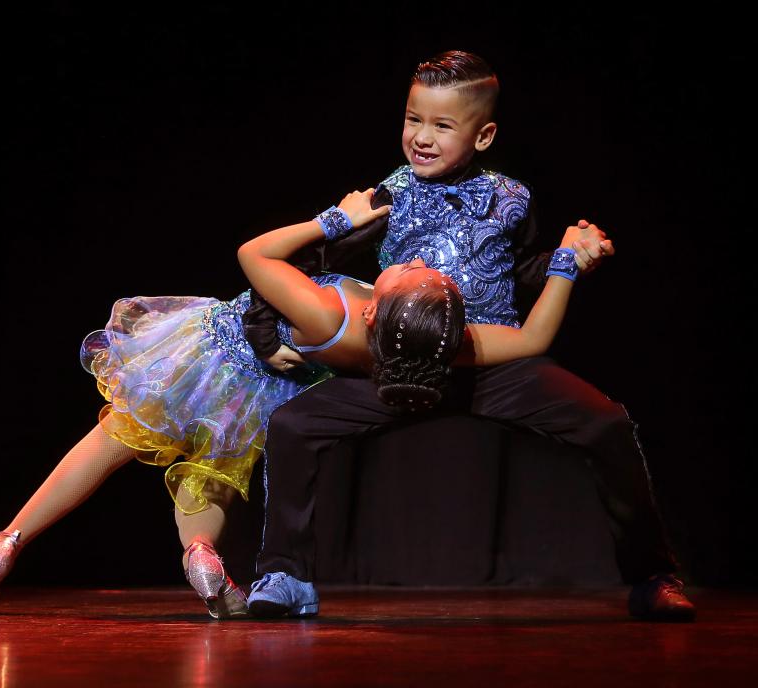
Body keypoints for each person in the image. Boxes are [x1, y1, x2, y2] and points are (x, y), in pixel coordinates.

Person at [0, 188, 588, 620]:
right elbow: (532, 337)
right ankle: (201, 556)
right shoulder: (424, 344)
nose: (421, 262)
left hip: (206, 359)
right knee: (212, 477)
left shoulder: (332, 311)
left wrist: (334, 219)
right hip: (259, 393)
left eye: (414, 274)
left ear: (376, 308)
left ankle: (5, 544)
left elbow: (253, 254)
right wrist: (566, 263)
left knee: (108, 441)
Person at [246, 51, 696, 622]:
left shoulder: (512, 199)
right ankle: (284, 573)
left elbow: (524, 270)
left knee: (605, 422)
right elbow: (307, 268)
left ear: (483, 135)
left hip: (490, 357)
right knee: (293, 425)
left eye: (442, 125)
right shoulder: (389, 196)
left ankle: (654, 574)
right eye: (414, 119)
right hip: (398, 367)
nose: (422, 138)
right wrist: (262, 327)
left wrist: (572, 260)